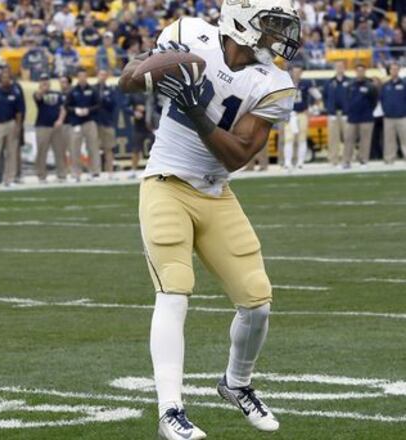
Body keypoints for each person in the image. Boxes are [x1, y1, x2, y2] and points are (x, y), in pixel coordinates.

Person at [119, 0, 302, 437]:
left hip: (217, 191)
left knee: (257, 300)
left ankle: (236, 383)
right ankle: (170, 411)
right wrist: (148, 72)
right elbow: (129, 78)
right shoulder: (189, 36)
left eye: (283, 25)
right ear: (239, 18)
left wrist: (195, 108)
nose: (279, 35)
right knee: (175, 290)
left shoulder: (275, 81)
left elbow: (238, 154)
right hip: (165, 182)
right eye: (271, 24)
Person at [66, 68, 100, 181]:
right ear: (77, 77)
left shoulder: (92, 90)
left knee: (93, 147)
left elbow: (98, 105)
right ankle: (76, 173)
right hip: (76, 123)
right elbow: (67, 106)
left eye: (84, 76)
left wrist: (88, 110)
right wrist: (75, 110)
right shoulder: (72, 91)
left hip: (89, 122)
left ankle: (94, 172)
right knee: (75, 149)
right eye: (80, 76)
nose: (82, 78)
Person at [282, 66, 319, 170]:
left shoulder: (306, 84)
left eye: (299, 72)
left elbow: (318, 96)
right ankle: (288, 162)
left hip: (302, 113)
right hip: (290, 114)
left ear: (301, 73)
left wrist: (312, 109)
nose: (297, 74)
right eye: (295, 72)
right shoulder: (286, 83)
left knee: (302, 138)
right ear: (291, 72)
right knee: (289, 139)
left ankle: (300, 162)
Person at [33, 73, 67, 183]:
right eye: (43, 81)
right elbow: (38, 97)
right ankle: (41, 175)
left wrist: (60, 120)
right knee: (42, 151)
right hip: (42, 126)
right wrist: (42, 89)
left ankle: (61, 174)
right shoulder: (38, 94)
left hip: (56, 126)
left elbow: (63, 108)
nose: (45, 82)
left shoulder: (58, 94)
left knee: (60, 151)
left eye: (46, 80)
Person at [343, 64, 377, 168]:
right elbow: (347, 99)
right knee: (349, 140)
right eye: (358, 71)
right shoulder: (350, 85)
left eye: (362, 71)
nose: (360, 73)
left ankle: (363, 161)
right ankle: (347, 161)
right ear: (355, 72)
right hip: (352, 117)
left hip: (366, 117)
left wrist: (368, 110)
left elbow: (374, 101)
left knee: (365, 140)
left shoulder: (370, 85)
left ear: (365, 72)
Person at [323, 61, 348, 167]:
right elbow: (325, 97)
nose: (340, 68)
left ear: (344, 68)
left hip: (346, 113)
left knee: (348, 137)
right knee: (334, 138)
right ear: (335, 68)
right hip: (333, 114)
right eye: (338, 66)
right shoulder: (329, 82)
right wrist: (329, 109)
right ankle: (334, 160)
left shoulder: (349, 81)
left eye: (341, 66)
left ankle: (347, 159)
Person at [381, 63, 406, 164]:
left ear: (399, 70)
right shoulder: (385, 85)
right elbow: (381, 100)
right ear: (389, 71)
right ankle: (389, 159)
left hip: (402, 117)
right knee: (389, 140)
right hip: (388, 117)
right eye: (392, 69)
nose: (394, 71)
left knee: (405, 139)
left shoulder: (404, 84)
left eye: (396, 69)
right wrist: (386, 110)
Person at [95, 69, 118, 178]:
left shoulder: (110, 89)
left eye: (104, 75)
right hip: (95, 122)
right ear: (97, 75)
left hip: (107, 122)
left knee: (109, 148)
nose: (102, 77)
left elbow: (113, 105)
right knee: (95, 148)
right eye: (101, 74)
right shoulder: (93, 89)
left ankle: (110, 172)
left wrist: (105, 99)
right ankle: (96, 171)